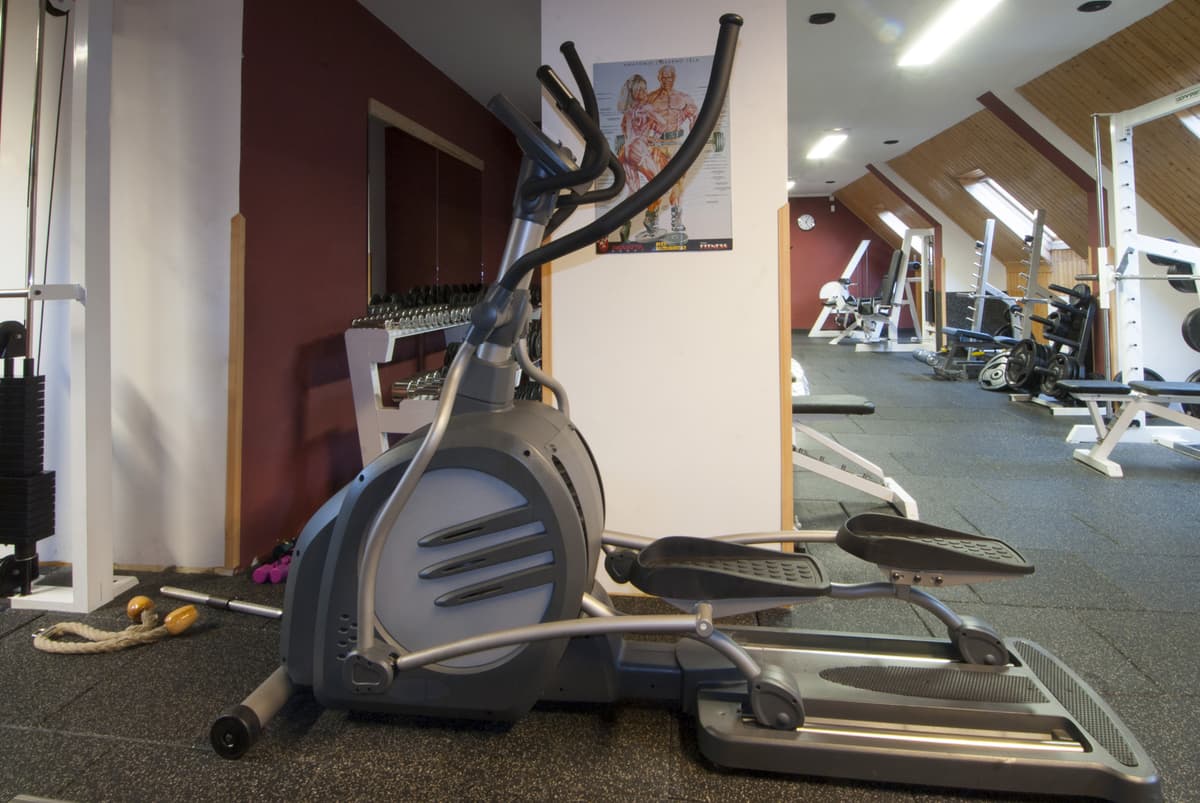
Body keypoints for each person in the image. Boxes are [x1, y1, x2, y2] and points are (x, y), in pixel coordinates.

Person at [643, 64, 698, 240]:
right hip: (658, 144)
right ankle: (651, 219)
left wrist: (694, 137)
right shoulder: (650, 99)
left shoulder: (683, 98)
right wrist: (646, 136)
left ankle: (676, 220)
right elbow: (640, 120)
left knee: (679, 182)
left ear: (675, 78)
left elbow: (695, 117)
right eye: (665, 77)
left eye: (671, 77)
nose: (668, 81)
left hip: (676, 144)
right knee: (658, 184)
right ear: (659, 78)